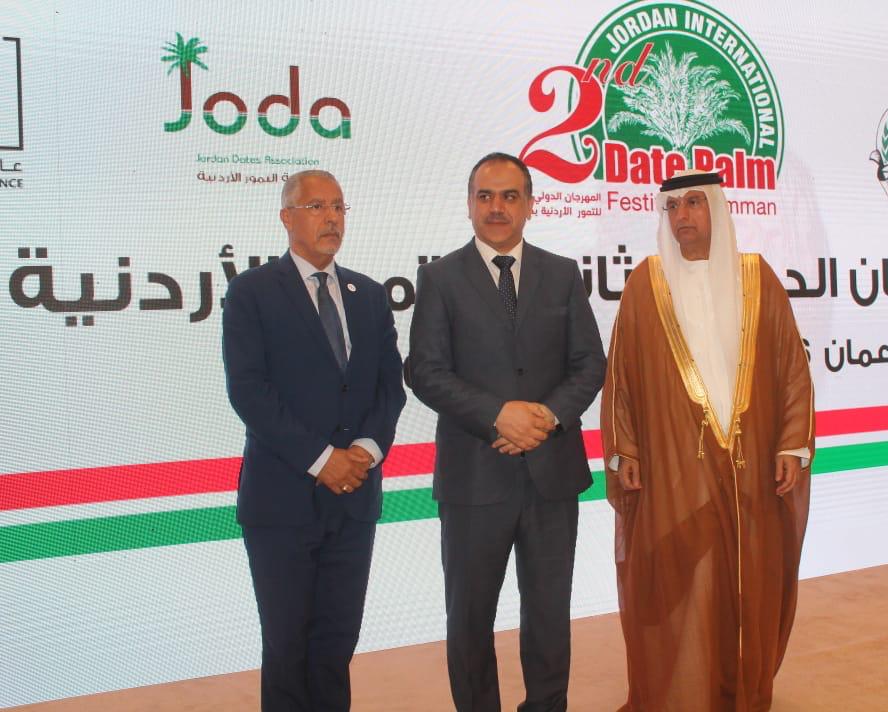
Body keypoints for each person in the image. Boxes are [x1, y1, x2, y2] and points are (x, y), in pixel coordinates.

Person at [601, 170, 814, 711]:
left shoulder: (757, 278)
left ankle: (736, 690)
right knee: (680, 583)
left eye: (694, 203)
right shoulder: (646, 284)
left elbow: (792, 366)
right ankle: (681, 693)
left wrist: (791, 444)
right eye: (672, 207)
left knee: (745, 581)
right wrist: (625, 448)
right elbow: (621, 375)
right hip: (673, 466)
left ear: (716, 208)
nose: (683, 216)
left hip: (751, 463)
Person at [408, 152, 606, 711]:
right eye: (485, 196)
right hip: (474, 479)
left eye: (510, 196)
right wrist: (498, 415)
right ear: (469, 204)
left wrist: (545, 417)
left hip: (552, 476)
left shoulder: (562, 274)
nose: (497, 207)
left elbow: (589, 363)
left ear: (530, 205)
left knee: (549, 614)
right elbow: (424, 371)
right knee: (470, 619)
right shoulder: (439, 278)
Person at [222, 169, 406, 711]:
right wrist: (322, 459)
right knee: (287, 649)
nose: (331, 218)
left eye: (339, 207)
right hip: (281, 504)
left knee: (335, 646)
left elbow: (389, 388)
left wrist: (366, 451)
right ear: (287, 217)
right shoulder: (252, 292)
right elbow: (249, 391)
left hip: (354, 502)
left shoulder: (369, 296)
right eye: (317, 206)